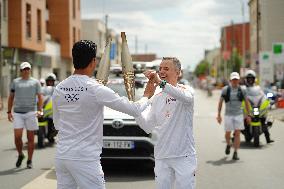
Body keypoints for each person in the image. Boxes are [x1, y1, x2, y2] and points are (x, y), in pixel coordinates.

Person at [52, 40, 154, 189]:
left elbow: (57, 124)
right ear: (93, 61)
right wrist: (147, 96)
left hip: (62, 157)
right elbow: (135, 110)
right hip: (85, 158)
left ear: (74, 59)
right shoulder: (95, 89)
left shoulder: (59, 88)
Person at [135, 57, 197, 189]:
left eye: (166, 69)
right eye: (160, 69)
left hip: (183, 156)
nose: (162, 71)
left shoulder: (187, 91)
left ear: (178, 72)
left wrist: (160, 82)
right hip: (162, 156)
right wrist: (136, 111)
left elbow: (184, 97)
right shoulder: (157, 98)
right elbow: (147, 127)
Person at [7, 62, 43, 169]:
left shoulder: (35, 82)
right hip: (18, 112)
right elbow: (11, 97)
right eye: (24, 69)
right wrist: (9, 112)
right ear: (21, 71)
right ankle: (21, 154)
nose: (26, 71)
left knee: (30, 138)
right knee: (17, 137)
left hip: (31, 112)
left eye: (28, 69)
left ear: (30, 70)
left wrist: (40, 110)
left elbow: (40, 97)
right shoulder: (15, 82)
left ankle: (29, 160)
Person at [217, 72, 250, 160]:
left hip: (239, 114)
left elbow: (247, 102)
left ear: (238, 80)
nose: (235, 81)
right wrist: (219, 115)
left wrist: (248, 115)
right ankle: (228, 144)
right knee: (228, 134)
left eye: (236, 79)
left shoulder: (242, 89)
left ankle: (235, 152)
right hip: (228, 115)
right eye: (233, 79)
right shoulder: (225, 89)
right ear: (230, 80)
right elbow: (220, 102)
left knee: (237, 134)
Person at [245, 70, 274, 143]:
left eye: (252, 78)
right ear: (246, 79)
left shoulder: (258, 88)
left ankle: (268, 138)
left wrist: (267, 101)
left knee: (263, 120)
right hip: (248, 108)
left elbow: (263, 96)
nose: (250, 80)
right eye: (249, 78)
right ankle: (234, 135)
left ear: (254, 79)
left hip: (257, 107)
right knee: (239, 119)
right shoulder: (244, 88)